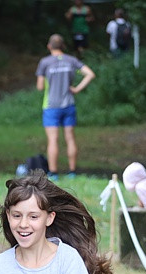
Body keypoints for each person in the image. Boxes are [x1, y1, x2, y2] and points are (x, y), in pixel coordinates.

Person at [35, 34, 95, 180]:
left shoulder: (45, 62)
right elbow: (90, 74)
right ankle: (72, 171)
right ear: (63, 46)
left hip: (51, 106)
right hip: (69, 104)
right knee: (70, 138)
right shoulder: (71, 60)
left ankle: (54, 173)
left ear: (49, 46)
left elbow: (40, 86)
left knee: (53, 140)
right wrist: (77, 89)